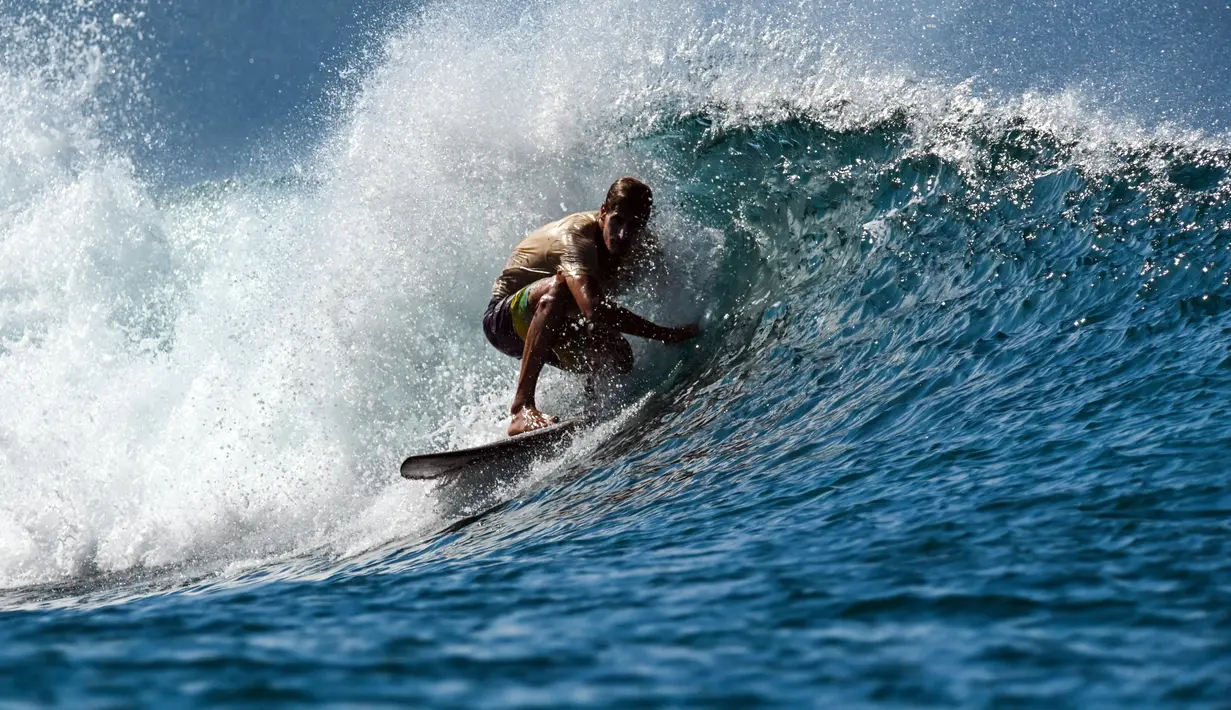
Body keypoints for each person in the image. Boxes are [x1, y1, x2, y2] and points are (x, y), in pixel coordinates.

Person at [482, 177, 700, 435]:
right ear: (603, 212)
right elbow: (593, 309)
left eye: (635, 225)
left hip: (546, 327)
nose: (623, 234)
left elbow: (670, 283)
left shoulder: (642, 247)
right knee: (562, 288)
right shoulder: (575, 237)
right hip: (503, 322)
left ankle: (590, 410)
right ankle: (521, 409)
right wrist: (665, 334)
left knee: (620, 355)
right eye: (617, 220)